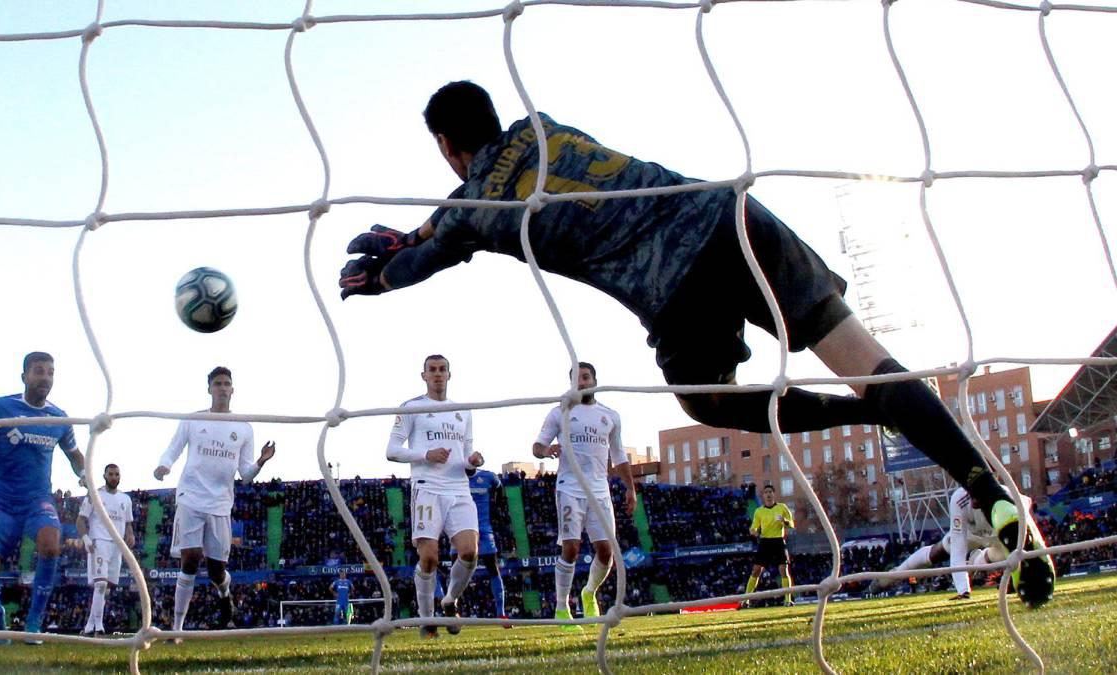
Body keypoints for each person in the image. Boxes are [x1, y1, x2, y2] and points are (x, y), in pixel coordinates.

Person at [338, 80, 1054, 608]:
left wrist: (382, 272)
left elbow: (421, 255)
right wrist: (419, 232)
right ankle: (991, 493)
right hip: (728, 213)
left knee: (707, 401)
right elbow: (459, 204)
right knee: (873, 364)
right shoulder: (538, 125)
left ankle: (867, 413)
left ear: (445, 147)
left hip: (675, 286)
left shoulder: (474, 211)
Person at [0, 351, 85, 644]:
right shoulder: (0, 407)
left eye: (50, 372)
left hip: (38, 500)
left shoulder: (60, 418)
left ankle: (34, 624)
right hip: (2, 501)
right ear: (24, 376)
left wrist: (85, 475)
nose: (45, 377)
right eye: (38, 371)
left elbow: (75, 455)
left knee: (51, 544)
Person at [155, 366, 276, 641]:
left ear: (233, 390)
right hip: (190, 496)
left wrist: (261, 461)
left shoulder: (244, 427)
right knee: (189, 559)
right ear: (209, 389)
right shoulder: (193, 419)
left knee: (216, 570)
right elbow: (174, 448)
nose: (222, 387)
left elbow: (245, 475)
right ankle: (177, 629)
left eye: (226, 383)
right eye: (217, 383)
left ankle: (224, 592)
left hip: (220, 503)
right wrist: (164, 465)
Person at [532, 362, 636, 630]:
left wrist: (630, 488)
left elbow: (619, 456)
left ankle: (588, 593)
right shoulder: (560, 413)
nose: (581, 382)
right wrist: (546, 451)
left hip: (599, 490)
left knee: (606, 551)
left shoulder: (610, 416)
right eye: (576, 378)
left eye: (586, 377)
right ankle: (561, 609)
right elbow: (537, 446)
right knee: (571, 548)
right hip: (570, 487)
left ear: (595, 381)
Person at [386, 354, 484, 638]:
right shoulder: (411, 408)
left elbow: (466, 460)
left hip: (459, 489)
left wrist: (473, 462)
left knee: (470, 553)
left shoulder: (463, 411)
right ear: (424, 376)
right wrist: (425, 454)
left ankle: (450, 601)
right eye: (433, 370)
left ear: (449, 375)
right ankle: (427, 620)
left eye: (442, 370)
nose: (438, 374)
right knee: (429, 558)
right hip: (427, 487)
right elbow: (392, 451)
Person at [872, 485, 1030, 599]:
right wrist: (963, 590)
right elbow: (958, 549)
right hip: (970, 534)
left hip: (1000, 537)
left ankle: (977, 559)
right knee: (939, 552)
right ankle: (894, 574)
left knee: (1004, 556)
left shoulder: (1010, 499)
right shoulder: (960, 498)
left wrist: (1018, 579)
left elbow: (1025, 542)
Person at [76, 463, 135, 636]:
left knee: (106, 587)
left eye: (117, 474)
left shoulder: (126, 499)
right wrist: (86, 538)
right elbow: (80, 519)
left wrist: (130, 534)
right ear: (104, 476)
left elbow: (128, 523)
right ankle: (99, 627)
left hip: (117, 545)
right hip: (99, 542)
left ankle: (89, 626)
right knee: (100, 583)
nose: (114, 477)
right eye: (111, 474)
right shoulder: (95, 495)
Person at [468, 468, 510, 624]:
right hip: (462, 529)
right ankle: (452, 608)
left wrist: (498, 506)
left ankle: (501, 613)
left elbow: (499, 488)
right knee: (458, 568)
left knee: (492, 567)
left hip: (484, 528)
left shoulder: (488, 476)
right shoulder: (454, 476)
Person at [742, 485, 795, 608]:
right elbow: (753, 527)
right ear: (763, 495)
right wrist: (754, 532)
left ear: (774, 494)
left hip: (778, 541)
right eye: (766, 492)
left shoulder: (782, 507)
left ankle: (788, 599)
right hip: (765, 542)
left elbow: (792, 524)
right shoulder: (759, 511)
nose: (768, 494)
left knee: (784, 570)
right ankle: (746, 600)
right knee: (756, 570)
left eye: (770, 491)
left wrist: (784, 521)